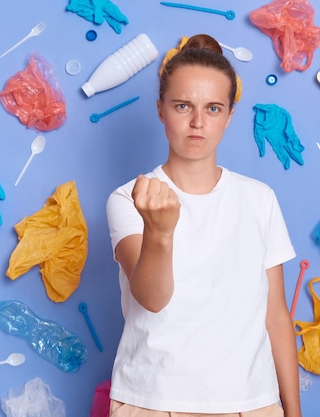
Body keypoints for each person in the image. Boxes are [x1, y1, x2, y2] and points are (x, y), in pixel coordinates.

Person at [106, 34, 302, 417]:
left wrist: (293, 412)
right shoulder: (130, 198)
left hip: (252, 403)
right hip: (153, 401)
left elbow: (276, 316)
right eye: (183, 106)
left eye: (213, 109)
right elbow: (152, 298)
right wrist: (160, 232)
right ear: (161, 109)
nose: (198, 122)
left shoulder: (259, 199)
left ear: (229, 115)